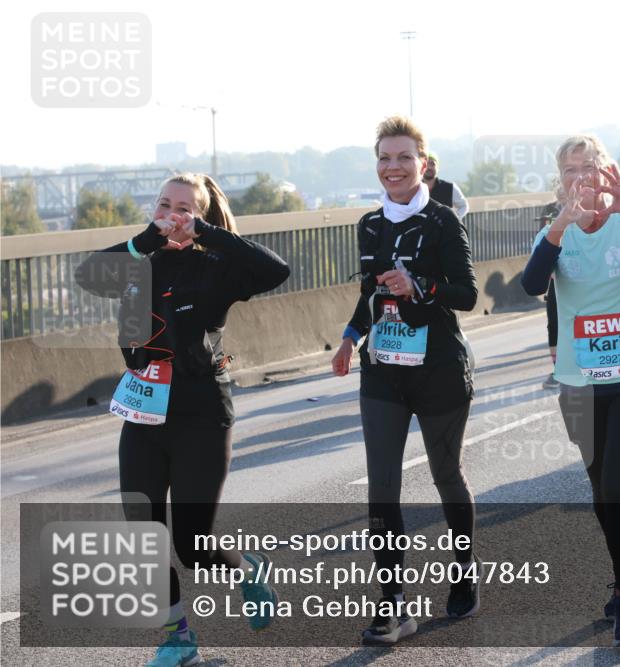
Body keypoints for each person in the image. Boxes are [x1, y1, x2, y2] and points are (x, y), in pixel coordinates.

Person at [74, 173, 290, 667]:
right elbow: (87, 275)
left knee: (193, 546)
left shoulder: (215, 267)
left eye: (185, 208)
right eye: (164, 205)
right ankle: (179, 637)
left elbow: (276, 269)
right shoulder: (137, 265)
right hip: (144, 413)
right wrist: (145, 240)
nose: (171, 214)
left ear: (200, 216)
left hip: (200, 414)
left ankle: (245, 567)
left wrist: (207, 235)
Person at [332, 116, 480, 644]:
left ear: (423, 164)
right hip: (384, 373)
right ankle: (393, 603)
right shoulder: (370, 225)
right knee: (383, 487)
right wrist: (351, 337)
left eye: (403, 158)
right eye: (384, 158)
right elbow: (368, 294)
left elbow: (466, 294)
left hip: (438, 369)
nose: (392, 168)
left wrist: (420, 286)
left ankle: (463, 573)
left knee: (445, 476)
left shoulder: (443, 222)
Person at [520, 135, 620, 648]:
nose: (580, 177)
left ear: (608, 170)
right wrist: (561, 224)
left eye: (589, 166)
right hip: (580, 381)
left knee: (615, 484)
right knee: (599, 490)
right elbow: (532, 285)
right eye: (569, 170)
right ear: (560, 180)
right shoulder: (555, 232)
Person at [536, 200, 562, 388]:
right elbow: (541, 237)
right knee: (553, 323)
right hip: (556, 277)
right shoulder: (549, 208)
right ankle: (558, 369)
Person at [424, 151, 470, 220]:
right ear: (421, 167)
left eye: (432, 164)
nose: (429, 167)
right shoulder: (413, 189)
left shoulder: (450, 187)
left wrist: (454, 220)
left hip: (445, 230)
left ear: (438, 167)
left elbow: (464, 206)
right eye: (426, 164)